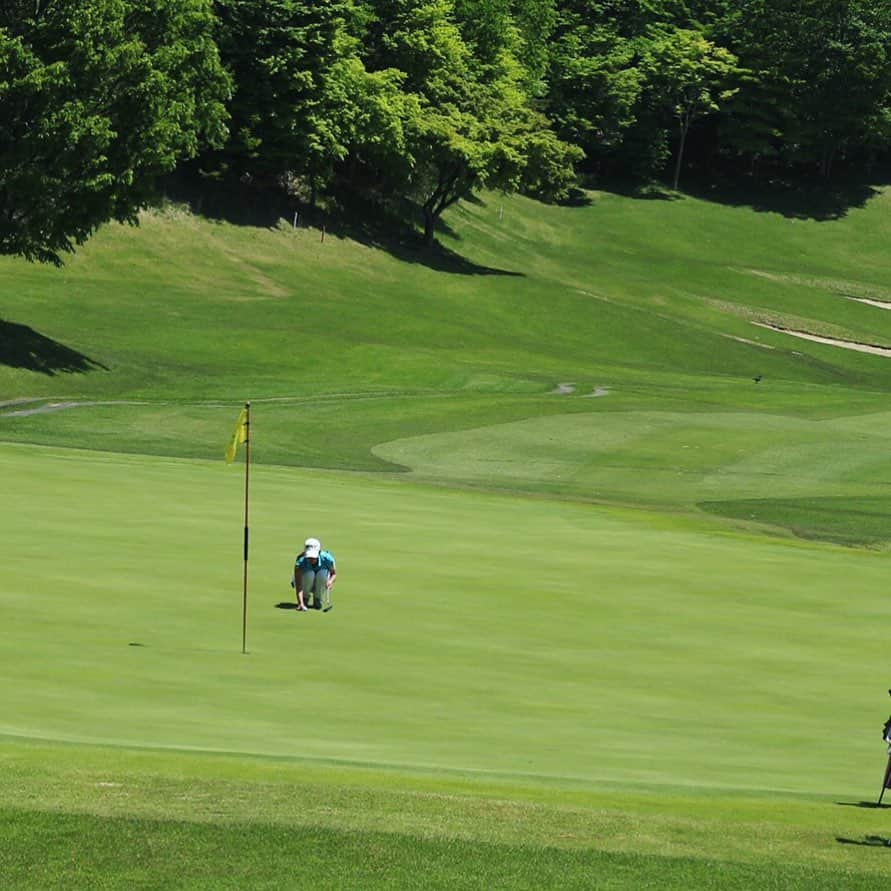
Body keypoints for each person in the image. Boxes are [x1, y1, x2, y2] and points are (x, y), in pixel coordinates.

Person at [292, 537, 336, 612]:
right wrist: (300, 603)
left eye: (313, 557)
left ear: (319, 552)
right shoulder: (300, 561)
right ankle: (305, 598)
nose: (311, 559)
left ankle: (317, 598)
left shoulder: (327, 558)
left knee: (322, 573)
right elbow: (298, 584)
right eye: (309, 557)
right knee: (310, 574)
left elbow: (333, 574)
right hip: (305, 580)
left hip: (320, 580)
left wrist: (330, 581)